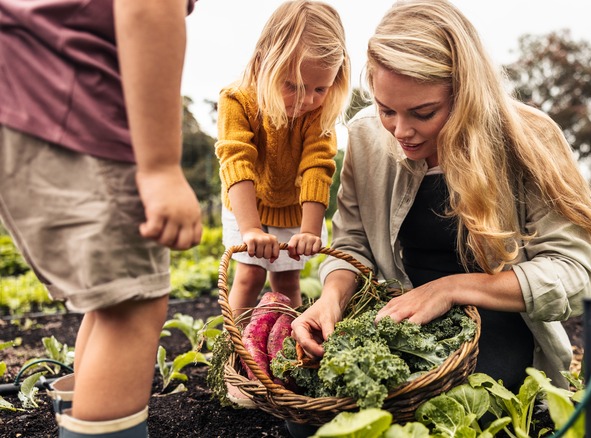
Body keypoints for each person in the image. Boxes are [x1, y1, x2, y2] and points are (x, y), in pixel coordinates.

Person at [292, 0, 591, 399]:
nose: (401, 131)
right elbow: (352, 244)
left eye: (424, 112)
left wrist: (450, 289)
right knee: (308, 411)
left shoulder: (529, 138)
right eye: (387, 109)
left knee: (461, 401)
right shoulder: (368, 136)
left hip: (494, 322)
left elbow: (575, 274)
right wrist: (331, 299)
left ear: (466, 93)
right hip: (396, 315)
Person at [0, 0, 202, 436]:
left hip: (24, 89)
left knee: (111, 301)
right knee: (132, 307)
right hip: (65, 99)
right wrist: (161, 167)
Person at [215, 0, 350, 316]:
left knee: (288, 283)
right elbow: (237, 160)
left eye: (321, 88)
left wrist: (310, 231)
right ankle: (235, 352)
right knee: (249, 276)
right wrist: (250, 229)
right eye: (294, 86)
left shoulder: (319, 111)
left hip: (293, 209)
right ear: (264, 64)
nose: (308, 99)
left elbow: (317, 165)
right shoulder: (237, 100)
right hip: (247, 203)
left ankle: (290, 350)